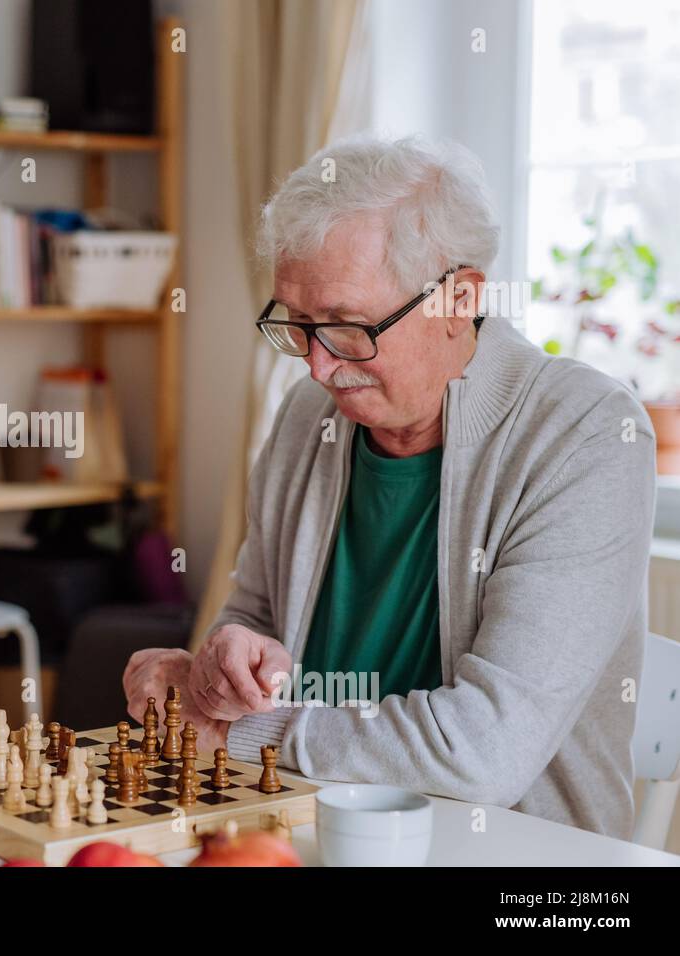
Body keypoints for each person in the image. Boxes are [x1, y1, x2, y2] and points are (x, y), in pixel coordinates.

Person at [125, 136, 655, 838]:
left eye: (346, 327)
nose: (317, 366)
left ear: (460, 299)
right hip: (303, 827)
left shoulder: (585, 434)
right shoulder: (307, 417)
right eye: (299, 324)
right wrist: (222, 671)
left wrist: (242, 734)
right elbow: (251, 614)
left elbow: (481, 754)